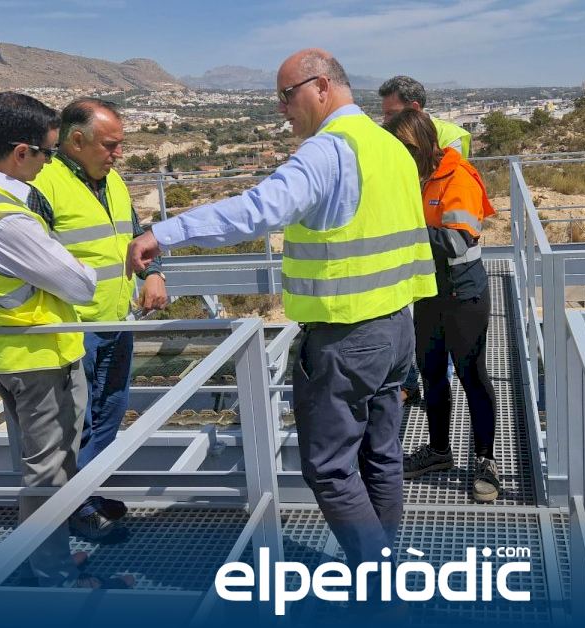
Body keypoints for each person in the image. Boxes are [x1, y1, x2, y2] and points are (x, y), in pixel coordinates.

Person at [128, 49, 435, 567]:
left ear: (321, 87)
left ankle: (381, 580)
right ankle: (386, 562)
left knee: (330, 469)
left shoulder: (329, 151)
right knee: (381, 457)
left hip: (345, 337)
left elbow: (257, 210)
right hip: (397, 329)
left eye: (286, 96)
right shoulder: (389, 147)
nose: (281, 109)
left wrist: (166, 232)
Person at [0, 91, 130, 588]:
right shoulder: (4, 216)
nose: (49, 162)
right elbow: (79, 284)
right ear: (21, 152)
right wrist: (83, 268)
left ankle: (50, 559)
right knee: (47, 474)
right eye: (46, 152)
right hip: (38, 356)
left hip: (5, 350)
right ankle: (54, 578)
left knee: (46, 469)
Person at [30, 97, 168, 541]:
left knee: (109, 411)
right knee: (77, 422)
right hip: (74, 329)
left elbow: (135, 236)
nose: (118, 154)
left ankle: (88, 492)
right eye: (110, 145)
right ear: (76, 140)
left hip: (117, 320)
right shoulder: (42, 185)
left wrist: (152, 274)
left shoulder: (113, 181)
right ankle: (77, 508)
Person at [384, 109, 500, 503]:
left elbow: (457, 240)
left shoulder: (458, 176)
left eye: (402, 149)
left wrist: (403, 230)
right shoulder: (415, 179)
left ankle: (485, 460)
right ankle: (438, 452)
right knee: (432, 373)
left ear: (418, 146)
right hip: (429, 293)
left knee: (471, 375)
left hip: (463, 294)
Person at [378, 75, 472, 157]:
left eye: (391, 113)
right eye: (385, 114)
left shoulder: (449, 135)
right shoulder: (387, 135)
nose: (385, 121)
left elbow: (451, 169)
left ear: (414, 108)